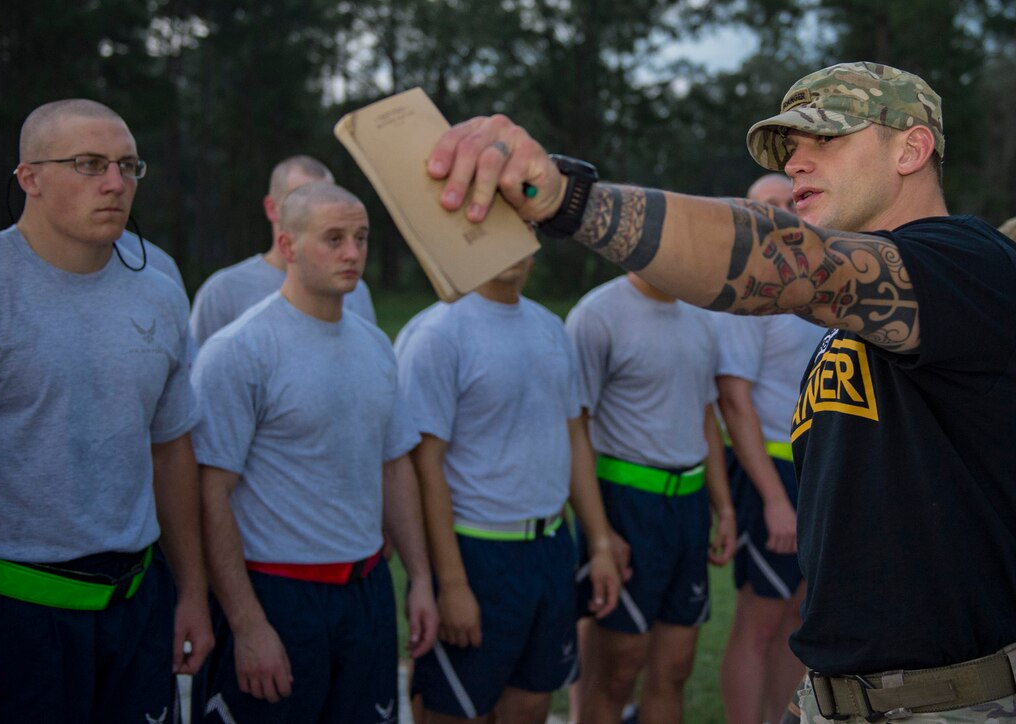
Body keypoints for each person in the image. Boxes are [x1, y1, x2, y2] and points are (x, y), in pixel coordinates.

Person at [429, 61, 1016, 720]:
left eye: (825, 140)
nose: (797, 163)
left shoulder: (968, 264)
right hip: (843, 696)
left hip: (949, 704)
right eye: (791, 148)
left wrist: (570, 200)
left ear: (911, 147)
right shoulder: (876, 321)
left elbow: (793, 262)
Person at [0, 99, 212, 722]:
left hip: (137, 608)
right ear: (29, 177)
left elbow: (171, 450)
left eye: (128, 166)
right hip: (5, 616)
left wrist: (191, 591)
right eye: (88, 164)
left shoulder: (160, 293)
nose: (115, 183)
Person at [190, 182, 438, 723]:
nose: (352, 253)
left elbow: (394, 466)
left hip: (365, 593)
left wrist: (419, 578)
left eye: (361, 238)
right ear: (288, 244)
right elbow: (210, 492)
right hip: (278, 594)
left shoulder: (374, 345)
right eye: (334, 239)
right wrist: (248, 624)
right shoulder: (240, 350)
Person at [394, 255, 622, 724]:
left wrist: (598, 540)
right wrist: (452, 583)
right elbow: (424, 465)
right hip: (476, 552)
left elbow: (574, 435)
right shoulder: (437, 333)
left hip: (549, 550)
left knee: (531, 706)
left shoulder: (549, 328)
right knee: (455, 710)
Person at [565, 272, 736, 724]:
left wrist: (725, 507)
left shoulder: (700, 316)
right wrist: (600, 535)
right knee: (617, 671)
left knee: (674, 669)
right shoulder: (596, 314)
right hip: (626, 503)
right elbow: (572, 427)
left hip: (688, 505)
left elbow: (704, 417)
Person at [715, 173, 823, 724]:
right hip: (771, 473)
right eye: (767, 207)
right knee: (758, 623)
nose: (782, 214)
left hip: (817, 471)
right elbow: (734, 402)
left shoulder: (818, 286)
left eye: (791, 202)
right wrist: (774, 499)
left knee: (799, 620)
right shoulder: (747, 294)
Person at [189, 155, 376, 346]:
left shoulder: (355, 290)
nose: (318, 207)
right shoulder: (223, 292)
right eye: (302, 197)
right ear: (272, 208)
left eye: (326, 196)